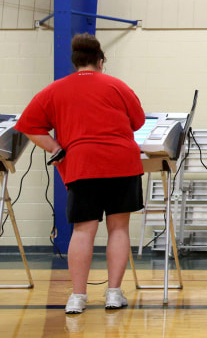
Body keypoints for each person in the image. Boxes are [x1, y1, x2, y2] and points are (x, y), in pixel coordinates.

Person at [14, 33, 145, 314]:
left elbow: (28, 125)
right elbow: (138, 122)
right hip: (122, 162)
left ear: (75, 63)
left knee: (83, 230)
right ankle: (113, 294)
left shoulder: (55, 90)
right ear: (100, 61)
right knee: (119, 228)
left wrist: (55, 147)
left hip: (82, 164)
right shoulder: (118, 86)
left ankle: (77, 297)